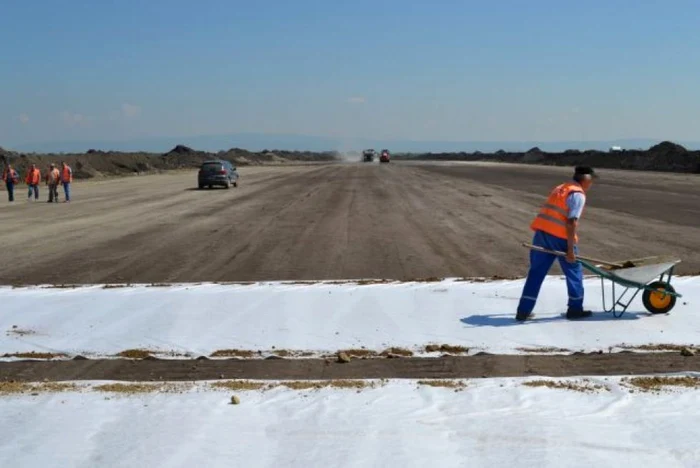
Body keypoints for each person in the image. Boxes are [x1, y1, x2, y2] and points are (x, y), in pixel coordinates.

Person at [516, 166, 598, 321]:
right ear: (586, 179)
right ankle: (575, 309)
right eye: (592, 180)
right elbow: (571, 222)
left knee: (536, 273)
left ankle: (523, 312)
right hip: (560, 237)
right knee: (574, 272)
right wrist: (570, 251)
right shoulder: (578, 195)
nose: (592, 183)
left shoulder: (561, 188)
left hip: (542, 234)